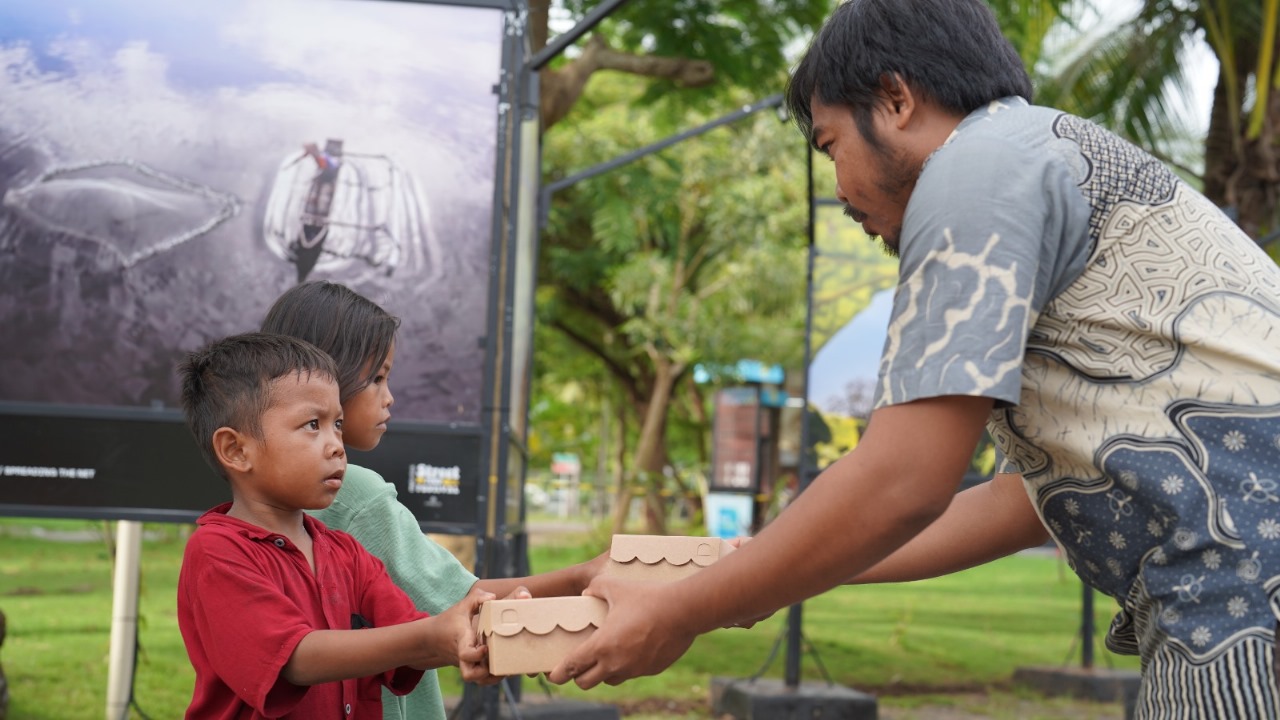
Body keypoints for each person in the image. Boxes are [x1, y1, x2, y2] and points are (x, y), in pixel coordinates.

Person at [547, 0, 1280, 716]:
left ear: (895, 98)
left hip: (1243, 602)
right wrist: (722, 569)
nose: (839, 191)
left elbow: (902, 482)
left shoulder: (979, 166)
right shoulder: (1039, 158)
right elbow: (1025, 503)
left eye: (831, 145)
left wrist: (682, 614)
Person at [261, 280, 609, 720]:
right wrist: (583, 578)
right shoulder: (354, 494)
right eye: (379, 378)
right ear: (329, 381)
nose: (389, 398)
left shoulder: (258, 507)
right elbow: (462, 603)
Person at [175, 332, 495, 719]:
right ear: (236, 450)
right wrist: (435, 636)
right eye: (313, 424)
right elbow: (296, 659)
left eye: (338, 424)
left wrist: (479, 634)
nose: (336, 445)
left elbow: (412, 630)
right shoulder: (217, 553)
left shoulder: (346, 552)